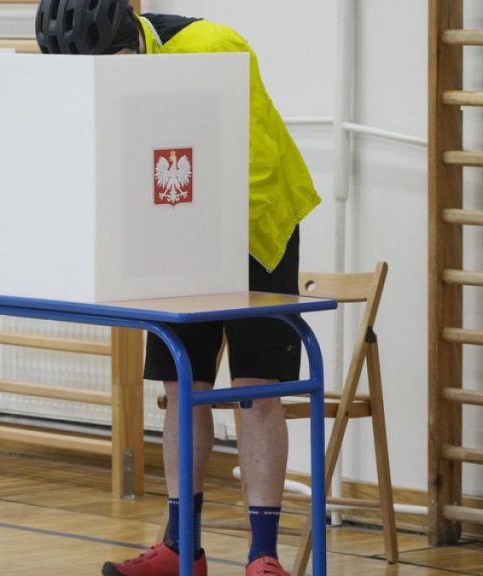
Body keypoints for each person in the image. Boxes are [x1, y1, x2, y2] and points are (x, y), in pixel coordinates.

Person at [35, 1, 322, 575]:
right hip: (177, 233)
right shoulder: (98, 81)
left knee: (255, 389)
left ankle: (263, 557)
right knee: (180, 385)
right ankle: (180, 548)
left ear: (128, 47)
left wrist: (201, 244)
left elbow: (258, 167)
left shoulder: (212, 48)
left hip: (258, 227)